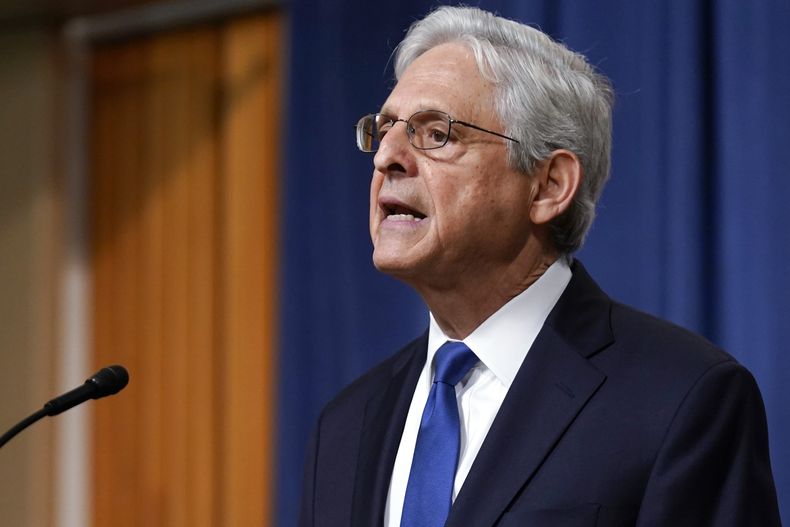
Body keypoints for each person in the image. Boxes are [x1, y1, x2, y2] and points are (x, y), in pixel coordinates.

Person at [299, 6, 781, 526]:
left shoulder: (682, 399)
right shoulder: (345, 425)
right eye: (385, 129)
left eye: (435, 133)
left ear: (549, 186)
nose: (385, 157)